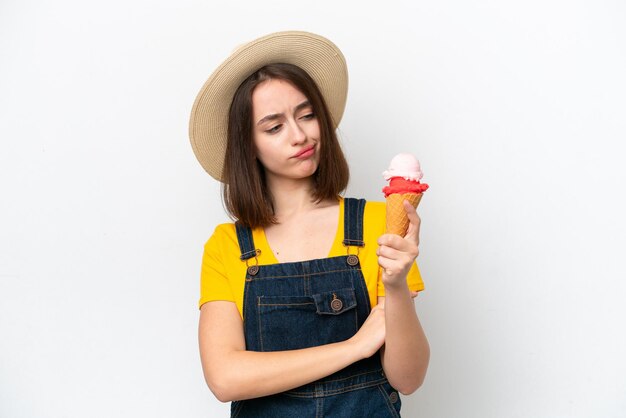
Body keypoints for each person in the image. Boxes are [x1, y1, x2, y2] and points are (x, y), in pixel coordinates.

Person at [189, 31, 430, 418]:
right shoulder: (227, 246)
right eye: (274, 127)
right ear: (248, 144)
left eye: (306, 115)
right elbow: (224, 377)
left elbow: (408, 377)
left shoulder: (376, 223)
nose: (300, 135)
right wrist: (355, 347)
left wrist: (397, 285)